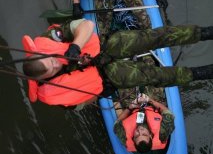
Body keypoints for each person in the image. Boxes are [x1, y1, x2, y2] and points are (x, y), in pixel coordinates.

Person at [22, 18, 213, 108]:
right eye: (52, 69)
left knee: (155, 37)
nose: (56, 63)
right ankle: (201, 73)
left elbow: (86, 25)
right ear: (44, 78)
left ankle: (204, 33)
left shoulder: (49, 41)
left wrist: (75, 46)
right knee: (155, 76)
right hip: (108, 77)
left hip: (105, 47)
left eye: (52, 60)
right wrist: (99, 94)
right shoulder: (50, 92)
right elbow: (78, 101)